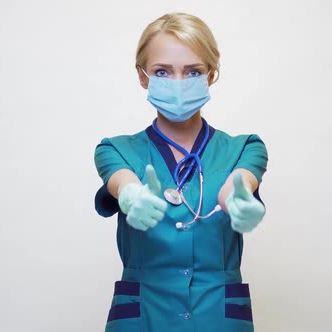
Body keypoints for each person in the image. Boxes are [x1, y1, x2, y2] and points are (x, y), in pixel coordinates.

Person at [93, 12, 268, 332]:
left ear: (211, 75)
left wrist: (238, 203)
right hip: (143, 316)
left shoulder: (244, 147)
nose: (177, 83)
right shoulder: (116, 149)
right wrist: (132, 195)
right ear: (143, 76)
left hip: (217, 315)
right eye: (162, 71)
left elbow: (234, 186)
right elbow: (122, 181)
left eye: (192, 72)